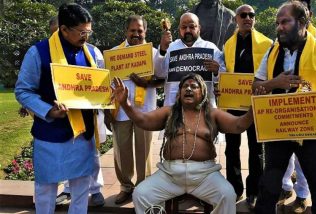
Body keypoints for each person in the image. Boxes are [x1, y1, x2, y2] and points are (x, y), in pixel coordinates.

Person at [252, 1, 316, 213]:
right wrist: (274, 83)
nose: (279, 27)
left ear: (303, 22)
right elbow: (256, 85)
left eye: (285, 22)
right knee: (268, 188)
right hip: (279, 129)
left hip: (314, 130)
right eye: (278, 23)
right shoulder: (273, 52)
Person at [111, 73, 253, 214]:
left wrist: (253, 108)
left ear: (202, 92)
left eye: (193, 86)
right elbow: (142, 120)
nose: (188, 89)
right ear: (179, 93)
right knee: (141, 194)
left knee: (227, 195)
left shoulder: (212, 114)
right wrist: (125, 103)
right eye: (185, 86)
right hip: (170, 174)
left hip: (205, 175)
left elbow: (239, 125)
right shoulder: (169, 112)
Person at [15, 3, 101, 213]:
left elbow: (96, 89)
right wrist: (48, 110)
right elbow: (23, 90)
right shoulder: (38, 53)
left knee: (81, 188)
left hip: (82, 133)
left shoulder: (90, 53)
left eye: (88, 32)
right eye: (82, 32)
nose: (86, 37)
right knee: (45, 189)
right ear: (63, 29)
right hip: (50, 133)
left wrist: (108, 96)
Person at [279, 1, 316, 212]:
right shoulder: (279, 46)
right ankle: (285, 188)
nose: (281, 26)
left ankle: (302, 195)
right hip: (283, 117)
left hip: (311, 119)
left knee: (309, 166)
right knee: (283, 161)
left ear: (306, 16)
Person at [103, 15, 163, 205]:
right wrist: (106, 111)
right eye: (132, 30)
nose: (136, 34)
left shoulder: (154, 53)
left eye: (140, 31)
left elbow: (163, 79)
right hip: (120, 111)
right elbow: (104, 84)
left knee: (143, 151)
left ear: (145, 32)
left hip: (144, 111)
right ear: (126, 31)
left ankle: (143, 188)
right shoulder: (113, 54)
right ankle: (126, 187)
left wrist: (146, 82)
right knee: (122, 151)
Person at [222, 4, 272, 209]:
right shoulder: (228, 44)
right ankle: (234, 189)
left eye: (251, 15)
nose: (248, 18)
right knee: (231, 148)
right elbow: (225, 72)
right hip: (233, 104)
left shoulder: (267, 43)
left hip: (255, 103)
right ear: (236, 19)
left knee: (256, 149)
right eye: (243, 15)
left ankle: (254, 191)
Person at [156, 12, 226, 108]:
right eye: (184, 27)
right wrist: (162, 50)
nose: (188, 30)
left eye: (192, 27)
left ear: (199, 28)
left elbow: (224, 79)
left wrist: (217, 71)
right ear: (179, 29)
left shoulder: (210, 48)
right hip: (174, 108)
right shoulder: (170, 47)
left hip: (204, 109)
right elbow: (159, 74)